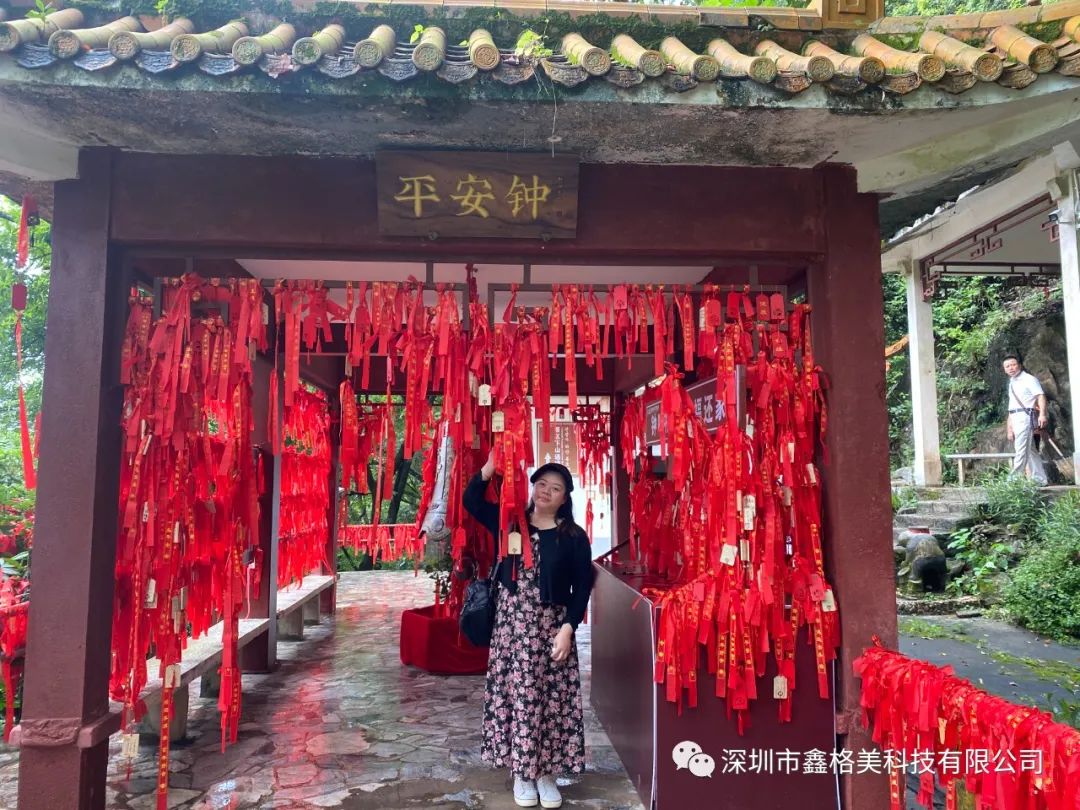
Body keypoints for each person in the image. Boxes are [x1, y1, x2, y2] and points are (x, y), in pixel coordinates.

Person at [463, 453, 594, 809]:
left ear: (565, 498)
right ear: (532, 487)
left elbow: (582, 586)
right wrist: (490, 466)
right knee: (519, 698)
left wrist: (568, 628)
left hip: (551, 629)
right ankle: (522, 772)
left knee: (550, 702)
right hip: (512, 630)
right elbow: (472, 501)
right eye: (542, 484)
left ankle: (546, 773)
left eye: (556, 488)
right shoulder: (510, 523)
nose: (546, 491)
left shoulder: (573, 537)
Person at [1002, 353, 1048, 486]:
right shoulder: (1012, 382)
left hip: (1025, 416)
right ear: (1004, 369)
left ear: (1019, 365)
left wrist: (1042, 414)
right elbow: (1012, 406)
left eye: (1013, 365)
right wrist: (1010, 426)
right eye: (1007, 366)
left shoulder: (1029, 379)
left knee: (1021, 449)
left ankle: (1013, 482)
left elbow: (1040, 396)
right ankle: (1040, 479)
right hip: (1016, 417)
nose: (1011, 368)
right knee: (1031, 450)